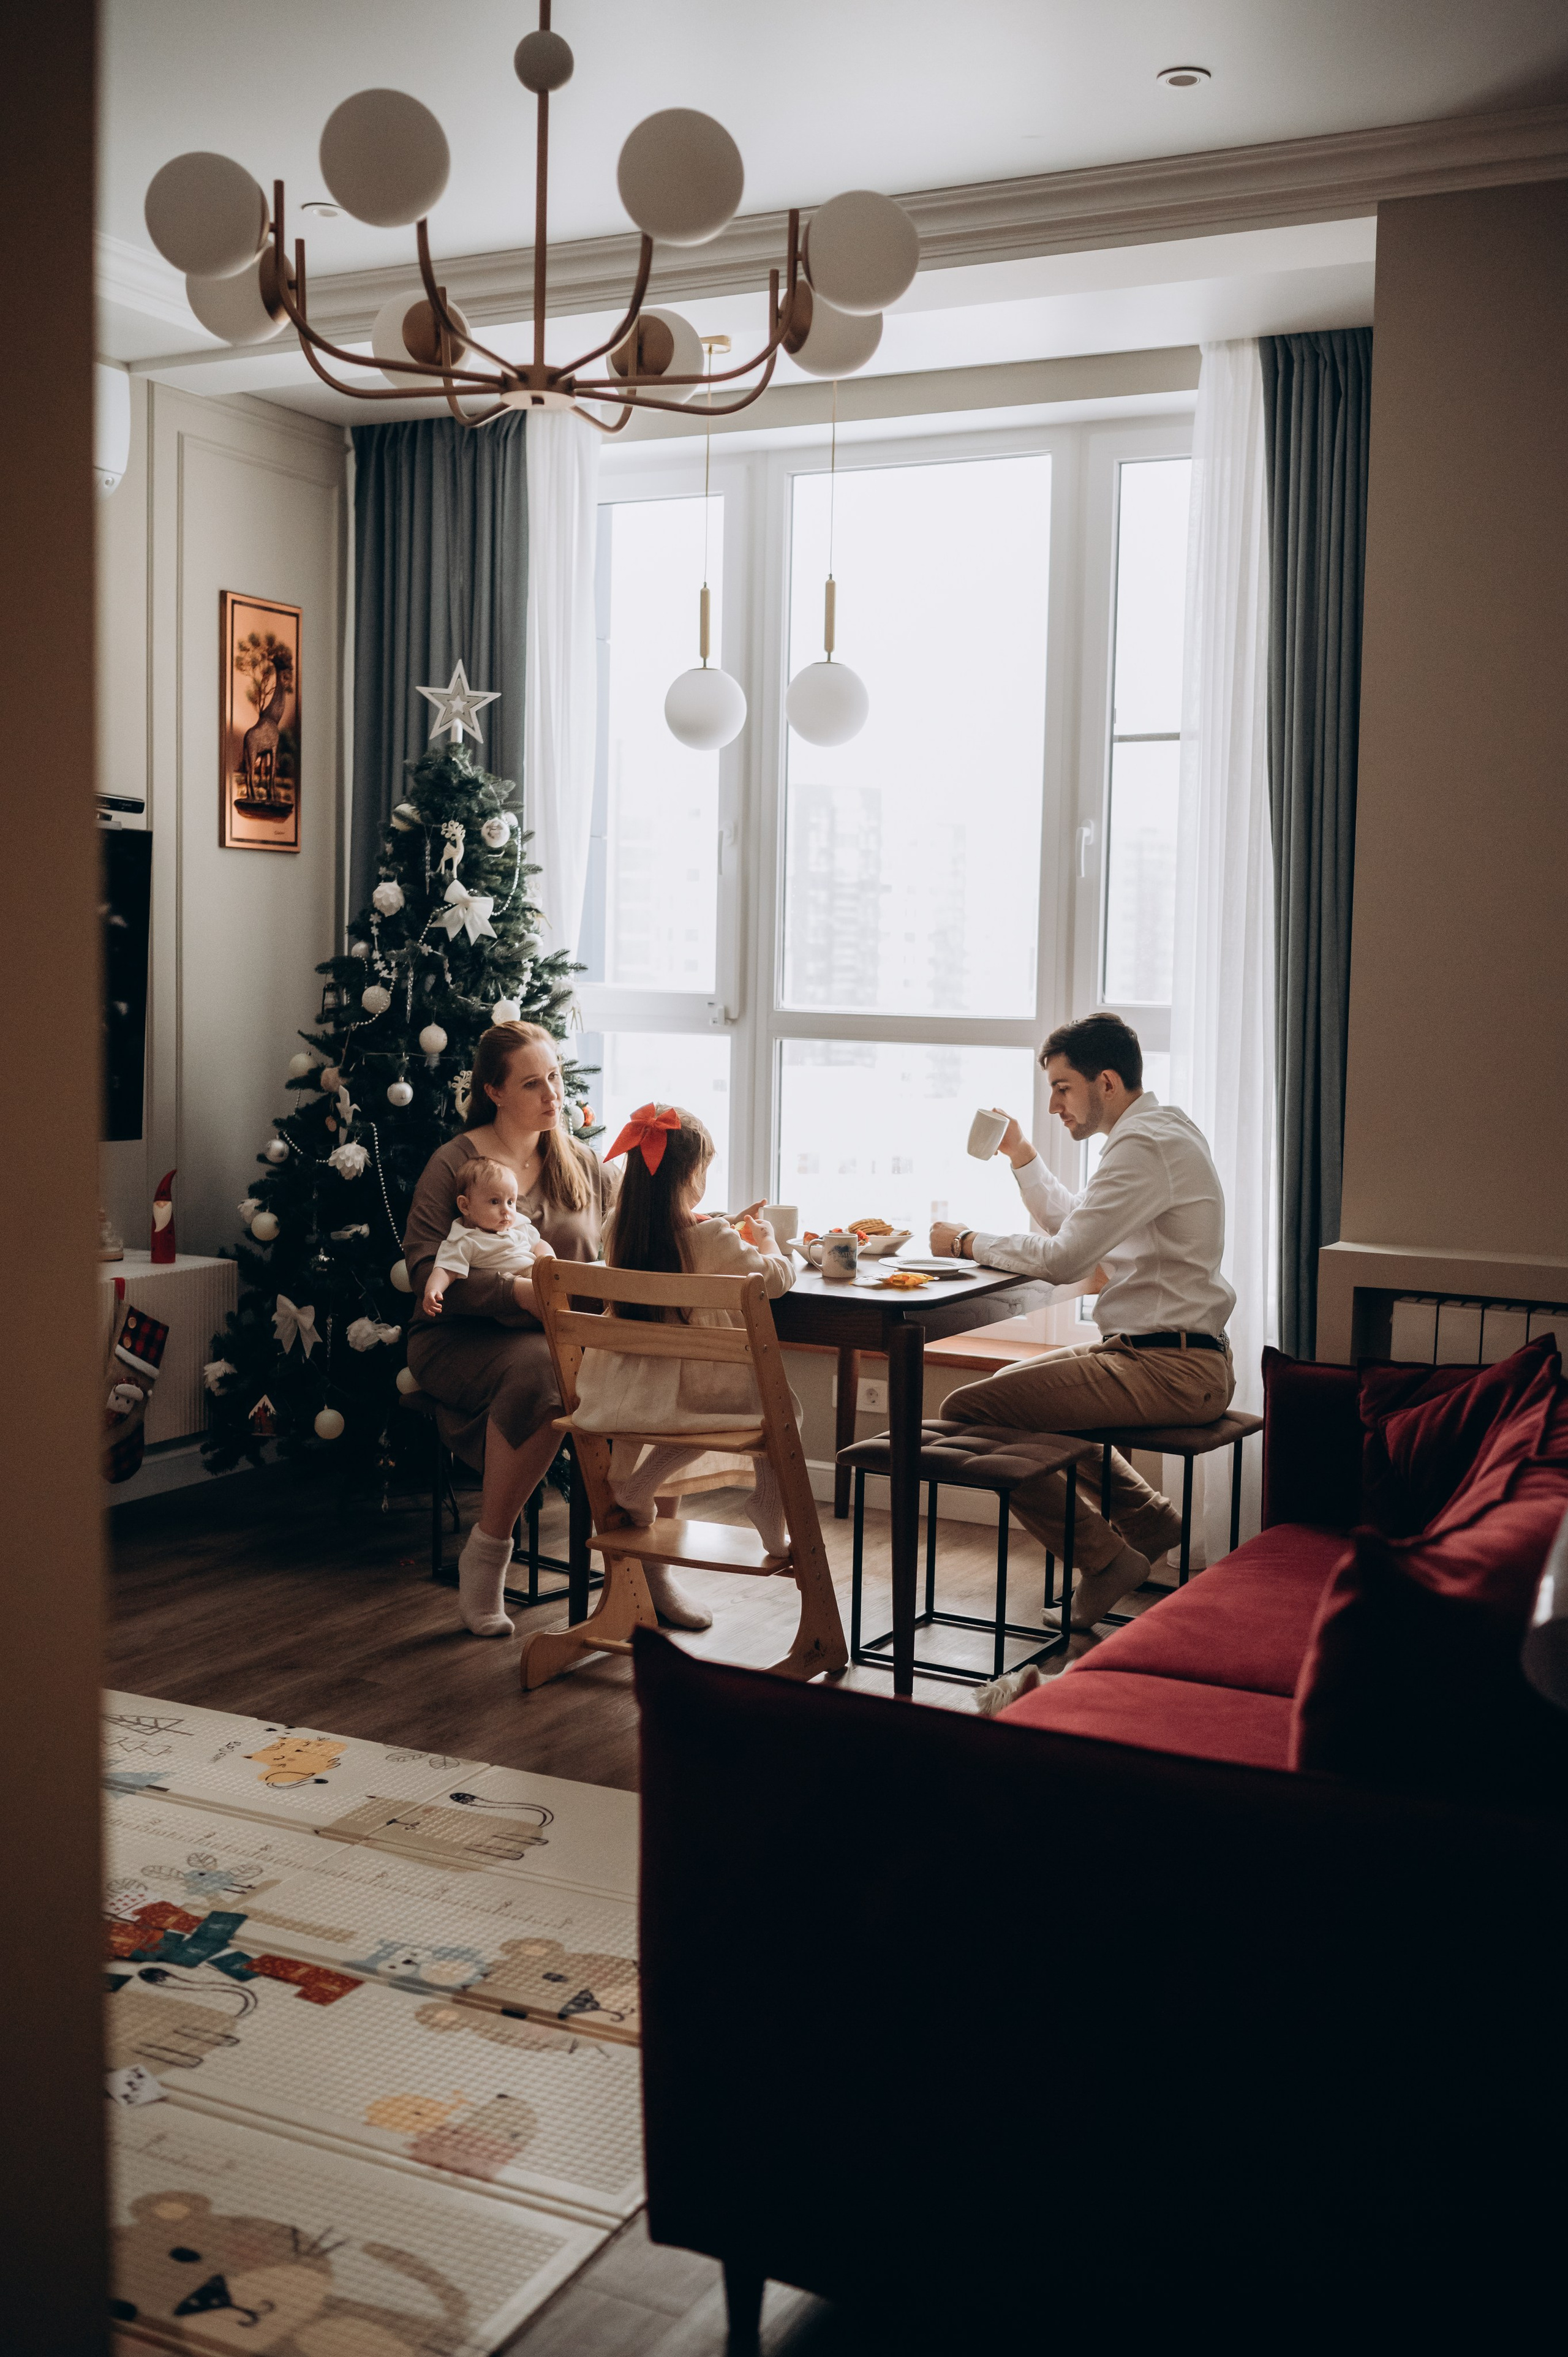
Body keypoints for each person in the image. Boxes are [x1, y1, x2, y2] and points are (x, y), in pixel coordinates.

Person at [929, 1011, 1235, 1703]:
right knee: (1008, 1394)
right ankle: (1147, 1518)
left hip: (1169, 1367)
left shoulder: (1143, 1146)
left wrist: (967, 1240)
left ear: (1105, 1080)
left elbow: (1068, 1256)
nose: (1053, 1104)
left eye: (1062, 1088)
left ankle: (1102, 1556)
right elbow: (1078, 1227)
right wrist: (1021, 1156)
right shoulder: (1158, 1132)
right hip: (1163, 1356)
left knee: (969, 1406)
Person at [404, 1022, 617, 1639]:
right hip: (457, 1335)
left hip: (563, 1334)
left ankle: (642, 1575)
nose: (553, 1093)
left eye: (555, 1075)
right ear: (493, 1091)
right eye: (533, 1082)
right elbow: (426, 1272)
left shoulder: (580, 1162)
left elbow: (636, 1233)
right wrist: (517, 1293)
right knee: (541, 1370)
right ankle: (488, 1551)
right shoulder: (456, 1164)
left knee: (640, 1362)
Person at [571, 1103, 797, 1632]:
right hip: (681, 1400)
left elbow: (682, 1243)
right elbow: (772, 1279)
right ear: (692, 1176)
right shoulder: (714, 1240)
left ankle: (637, 1487)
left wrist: (719, 1227)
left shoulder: (620, 1230)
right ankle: (767, 1506)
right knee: (777, 1409)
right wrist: (768, 1243)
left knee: (713, 1414)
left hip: (621, 1393)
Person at [422, 1155, 545, 1320]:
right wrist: (433, 1290)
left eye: (511, 1202)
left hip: (537, 1274)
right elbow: (445, 1269)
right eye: (495, 1202)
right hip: (513, 1294)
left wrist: (549, 1261)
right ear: (465, 1206)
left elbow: (539, 1244)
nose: (506, 1210)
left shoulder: (518, 1227)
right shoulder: (466, 1240)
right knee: (552, 1309)